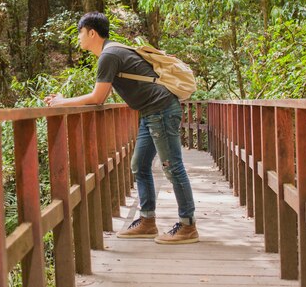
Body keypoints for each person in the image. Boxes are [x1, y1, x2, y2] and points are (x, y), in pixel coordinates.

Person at [44, 12, 198, 244]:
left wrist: (62, 102)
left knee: (172, 166)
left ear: (91, 32)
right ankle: (147, 221)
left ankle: (188, 226)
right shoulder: (113, 52)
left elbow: (98, 98)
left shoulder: (109, 55)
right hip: (150, 112)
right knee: (140, 165)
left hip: (161, 110)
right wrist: (65, 100)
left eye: (80, 32)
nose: (78, 37)